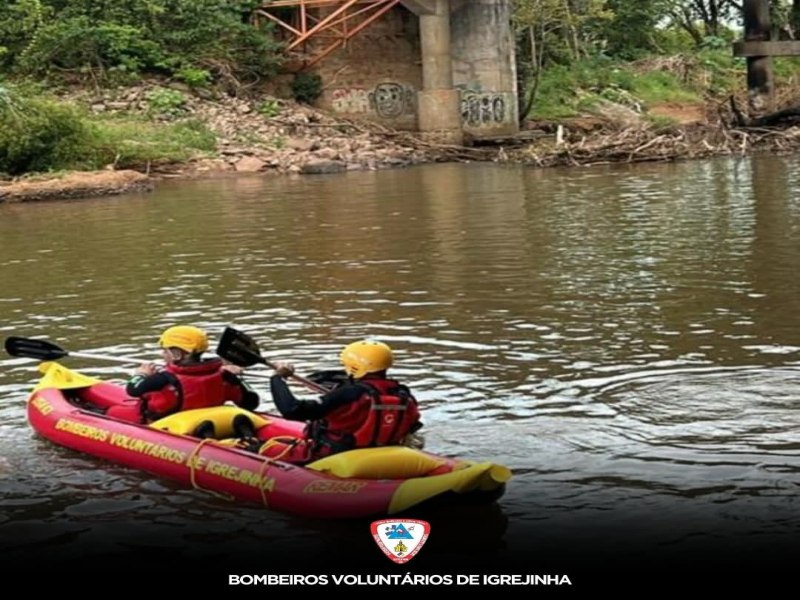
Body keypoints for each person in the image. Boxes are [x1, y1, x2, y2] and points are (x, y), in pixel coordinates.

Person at [267, 340, 422, 462]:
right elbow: (413, 424)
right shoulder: (403, 394)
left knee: (263, 448)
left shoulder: (348, 394)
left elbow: (292, 410)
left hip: (337, 456)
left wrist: (277, 377)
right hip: (386, 454)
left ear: (354, 365)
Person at [106, 325, 259, 424]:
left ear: (177, 354)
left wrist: (141, 374)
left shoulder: (162, 380)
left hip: (167, 425)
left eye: (165, 350)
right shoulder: (224, 376)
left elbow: (132, 389)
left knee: (112, 412)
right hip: (209, 421)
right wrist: (238, 378)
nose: (162, 354)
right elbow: (251, 402)